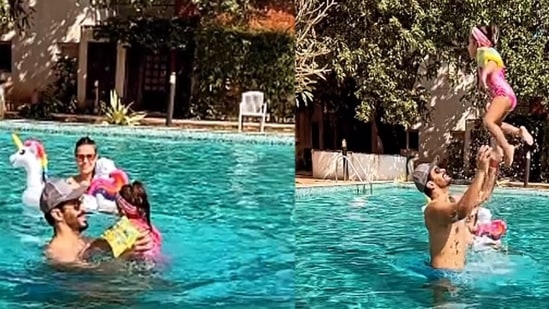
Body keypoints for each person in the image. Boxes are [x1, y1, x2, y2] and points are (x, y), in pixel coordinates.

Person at [413, 145, 499, 273]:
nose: (443, 170)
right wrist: (480, 171)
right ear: (431, 184)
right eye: (436, 171)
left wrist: (492, 167)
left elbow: (482, 195)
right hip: (442, 278)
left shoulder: (453, 201)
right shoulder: (433, 209)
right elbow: (461, 211)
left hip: (459, 274)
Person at [40, 178, 153, 266]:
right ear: (57, 214)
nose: (83, 209)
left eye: (81, 202)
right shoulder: (60, 256)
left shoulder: (88, 242)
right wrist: (124, 256)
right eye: (76, 206)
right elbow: (94, 285)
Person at [467, 24, 533, 167]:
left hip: (503, 94)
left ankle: (507, 147)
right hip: (507, 95)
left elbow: (491, 65)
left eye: (468, 43)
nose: (467, 47)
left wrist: (484, 77)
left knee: (488, 122)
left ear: (476, 42)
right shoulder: (484, 55)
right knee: (495, 124)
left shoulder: (483, 52)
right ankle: (519, 132)